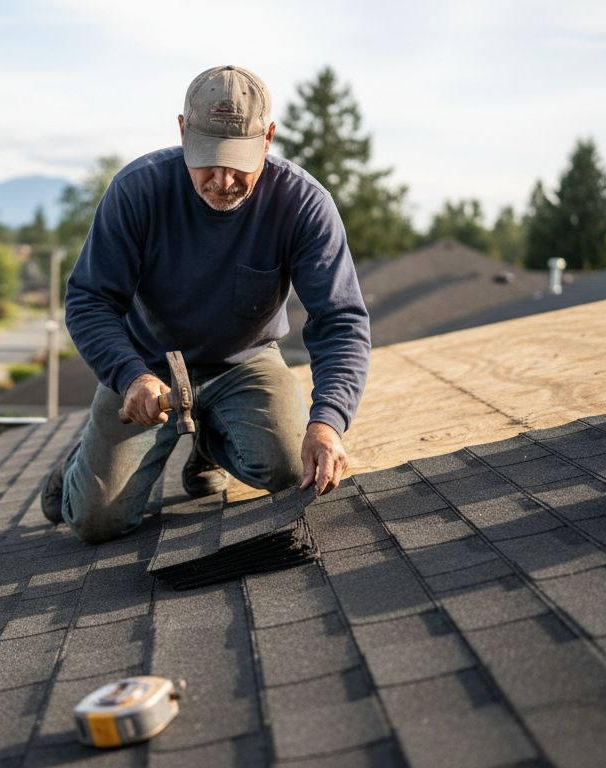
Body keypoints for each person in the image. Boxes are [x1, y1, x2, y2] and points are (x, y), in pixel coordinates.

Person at [44, 64, 371, 544]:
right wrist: (128, 374)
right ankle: (77, 466)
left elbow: (340, 320)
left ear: (269, 138)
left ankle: (210, 442)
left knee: (288, 470)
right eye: (207, 159)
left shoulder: (303, 204)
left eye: (239, 162)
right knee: (97, 522)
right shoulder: (137, 191)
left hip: (246, 361)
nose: (222, 180)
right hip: (147, 367)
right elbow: (90, 300)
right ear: (182, 131)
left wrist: (327, 424)